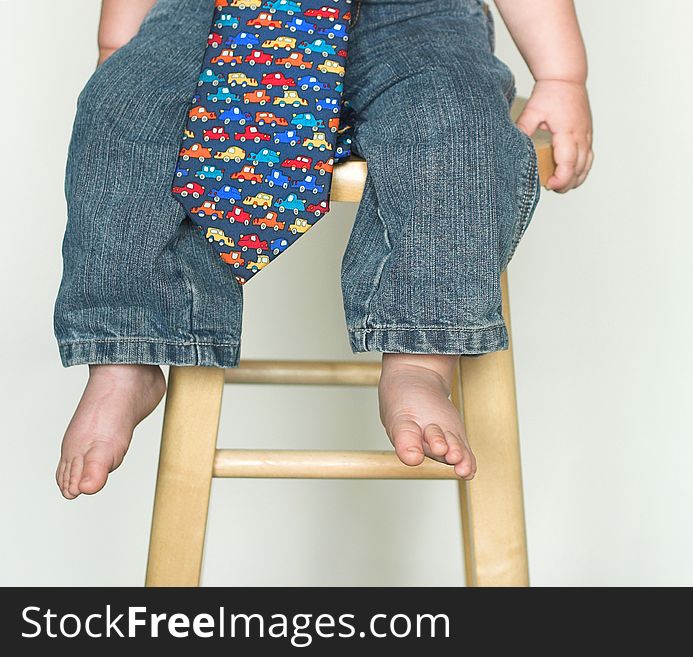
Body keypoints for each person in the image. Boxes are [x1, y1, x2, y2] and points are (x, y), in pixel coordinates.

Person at [54, 0, 594, 499]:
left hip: (414, 19)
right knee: (122, 112)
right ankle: (124, 349)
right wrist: (117, 47)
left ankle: (420, 359)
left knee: (452, 124)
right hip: (218, 14)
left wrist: (561, 74)